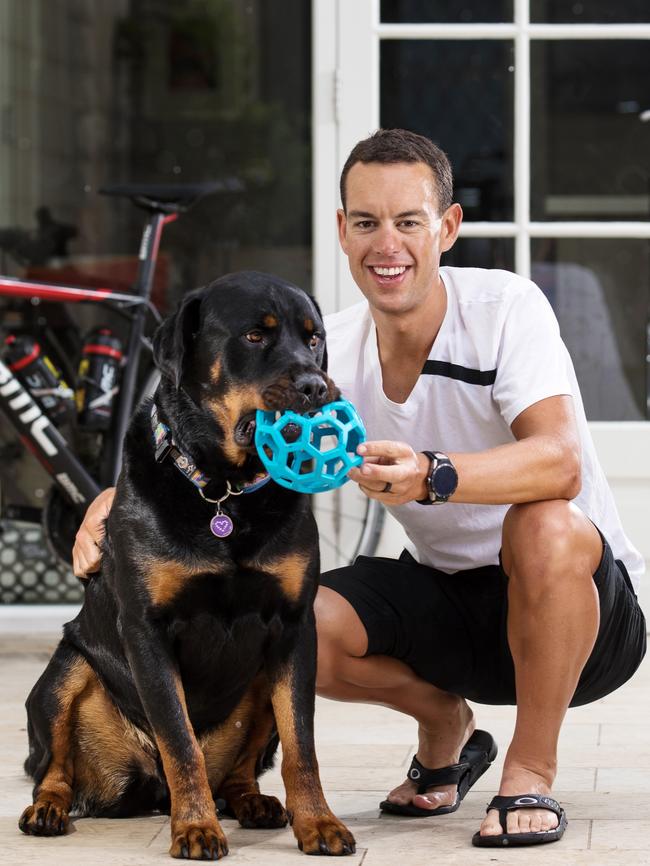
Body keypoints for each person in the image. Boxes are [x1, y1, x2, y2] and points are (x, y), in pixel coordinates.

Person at [73, 128, 646, 848]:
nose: (389, 244)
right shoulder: (322, 349)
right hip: (448, 600)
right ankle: (446, 725)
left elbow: (561, 463)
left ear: (448, 227)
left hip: (584, 615)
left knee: (544, 526)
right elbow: (190, 421)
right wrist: (120, 499)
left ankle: (528, 772)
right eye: (368, 223)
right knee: (301, 624)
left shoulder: (506, 308)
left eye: (409, 222)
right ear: (343, 232)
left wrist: (432, 475)